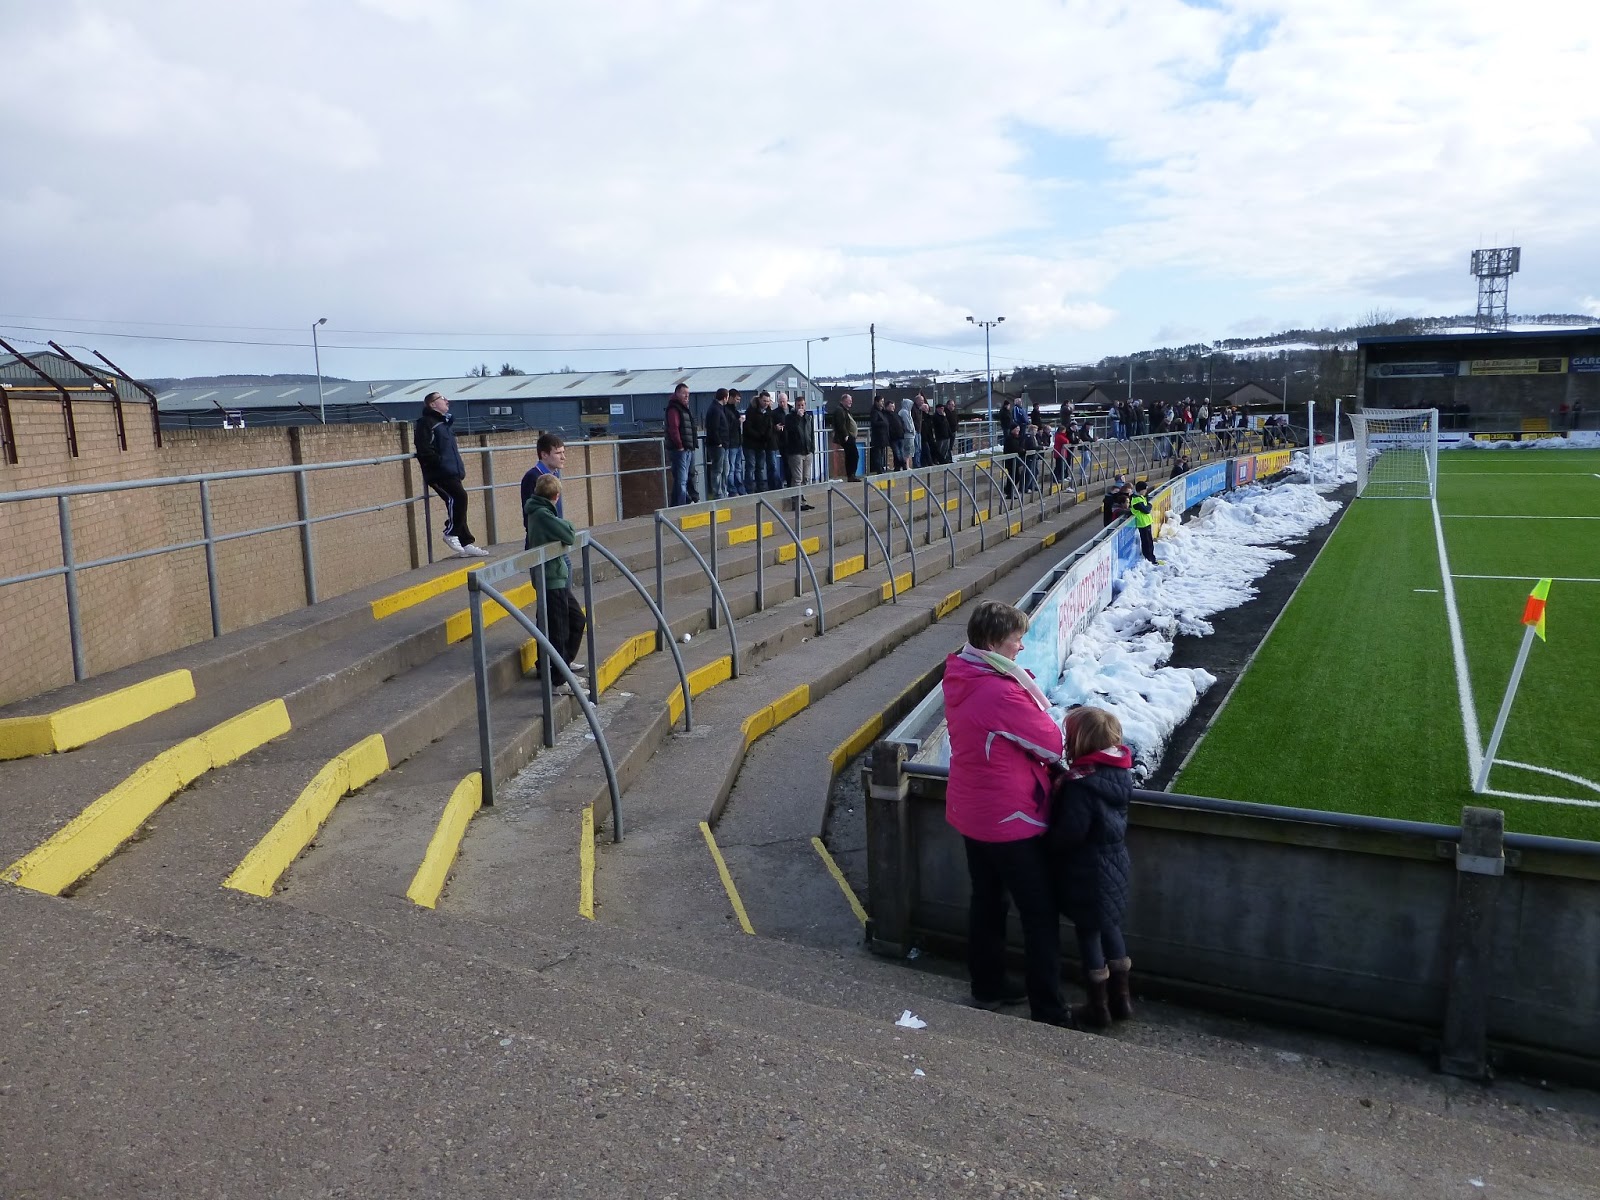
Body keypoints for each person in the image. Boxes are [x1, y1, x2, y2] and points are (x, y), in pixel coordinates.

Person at [942, 600, 1069, 1026]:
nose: (1021, 646)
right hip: (1008, 819)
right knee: (1039, 913)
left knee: (988, 901)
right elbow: (1051, 742)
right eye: (1017, 638)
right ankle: (1048, 1007)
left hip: (973, 812)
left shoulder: (962, 673)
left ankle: (988, 986)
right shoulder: (1000, 691)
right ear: (996, 641)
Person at [1048, 706, 1135, 1029]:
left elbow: (1071, 833)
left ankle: (1098, 1007)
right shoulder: (1119, 775)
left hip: (1087, 870)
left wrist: (1047, 843)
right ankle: (1122, 1001)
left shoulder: (1079, 785)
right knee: (1111, 927)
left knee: (1088, 933)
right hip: (1116, 862)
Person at [523, 473, 586, 674]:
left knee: (576, 619)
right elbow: (569, 533)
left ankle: (559, 665)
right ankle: (559, 677)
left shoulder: (539, 511)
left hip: (554, 577)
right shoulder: (542, 514)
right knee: (559, 629)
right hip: (551, 578)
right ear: (556, 496)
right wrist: (568, 525)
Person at [414, 391, 489, 557]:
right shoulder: (426, 423)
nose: (447, 401)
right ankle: (450, 532)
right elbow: (424, 449)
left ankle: (466, 542)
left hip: (452, 472)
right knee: (459, 498)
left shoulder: (444, 424)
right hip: (439, 473)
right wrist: (438, 463)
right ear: (432, 404)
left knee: (457, 504)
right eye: (442, 398)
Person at [664, 382, 698, 507]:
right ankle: (681, 504)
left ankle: (680, 503)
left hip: (688, 447)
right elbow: (674, 428)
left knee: (686, 476)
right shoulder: (674, 408)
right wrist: (679, 445)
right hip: (680, 449)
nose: (686, 396)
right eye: (684, 393)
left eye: (688, 394)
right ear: (677, 393)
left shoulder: (684, 408)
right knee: (681, 479)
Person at [519, 432, 566, 515]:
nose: (563, 457)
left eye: (563, 452)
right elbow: (529, 513)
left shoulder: (555, 474)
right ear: (544, 455)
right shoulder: (531, 477)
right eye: (558, 453)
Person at [783, 393, 815, 511]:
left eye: (802, 405)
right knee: (797, 478)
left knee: (806, 478)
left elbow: (811, 434)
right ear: (795, 406)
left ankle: (803, 500)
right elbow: (791, 429)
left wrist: (812, 449)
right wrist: (797, 417)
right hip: (795, 451)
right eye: (798, 405)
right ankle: (796, 502)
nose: (801, 407)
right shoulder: (790, 417)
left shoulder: (809, 417)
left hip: (807, 451)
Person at [741, 390, 774, 492]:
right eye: (764, 401)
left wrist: (766, 437)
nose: (766, 403)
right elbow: (748, 427)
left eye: (768, 401)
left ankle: (761, 488)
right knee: (750, 466)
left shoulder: (769, 413)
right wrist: (759, 435)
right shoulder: (751, 411)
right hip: (750, 444)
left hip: (762, 444)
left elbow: (770, 426)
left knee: (760, 467)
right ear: (759, 399)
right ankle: (749, 488)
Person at [704, 387, 732, 500]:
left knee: (725, 469)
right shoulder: (715, 409)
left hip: (722, 445)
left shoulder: (718, 408)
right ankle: (718, 494)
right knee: (718, 470)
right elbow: (713, 428)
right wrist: (719, 442)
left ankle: (723, 492)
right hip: (717, 446)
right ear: (725, 397)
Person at [830, 393, 860, 482]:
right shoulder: (840, 410)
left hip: (850, 436)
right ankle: (851, 475)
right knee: (853, 455)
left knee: (852, 456)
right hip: (846, 438)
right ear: (843, 400)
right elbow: (841, 424)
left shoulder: (845, 410)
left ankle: (852, 475)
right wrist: (846, 435)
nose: (851, 402)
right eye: (849, 400)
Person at [724, 390, 747, 496]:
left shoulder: (733, 409)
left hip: (737, 442)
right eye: (737, 399)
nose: (738, 401)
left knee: (738, 467)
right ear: (731, 397)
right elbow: (728, 426)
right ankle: (732, 490)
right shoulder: (726, 410)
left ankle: (740, 489)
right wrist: (739, 421)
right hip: (732, 443)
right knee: (732, 468)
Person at [1130, 479, 1157, 564]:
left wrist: (1148, 506)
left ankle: (1152, 558)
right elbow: (1146, 510)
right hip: (1142, 524)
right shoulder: (1136, 500)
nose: (1146, 491)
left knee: (1149, 541)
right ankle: (1150, 559)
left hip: (1146, 522)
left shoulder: (1140, 497)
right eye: (1145, 489)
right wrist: (1149, 505)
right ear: (1141, 490)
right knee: (1147, 543)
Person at [868, 396, 891, 474]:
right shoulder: (874, 411)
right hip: (878, 437)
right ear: (876, 402)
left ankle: (882, 467)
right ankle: (879, 469)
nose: (882, 403)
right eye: (881, 401)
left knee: (882, 454)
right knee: (878, 454)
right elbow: (874, 423)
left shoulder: (881, 411)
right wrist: (883, 423)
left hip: (883, 436)